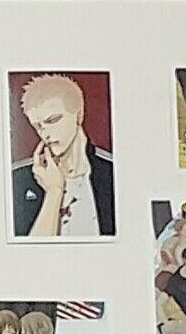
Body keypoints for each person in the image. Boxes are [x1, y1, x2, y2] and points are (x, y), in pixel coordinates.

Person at [11, 73, 115, 237]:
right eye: (38, 126)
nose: (45, 133)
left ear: (79, 115)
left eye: (53, 120)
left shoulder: (112, 172)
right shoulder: (18, 179)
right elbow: (27, 252)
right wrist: (54, 191)